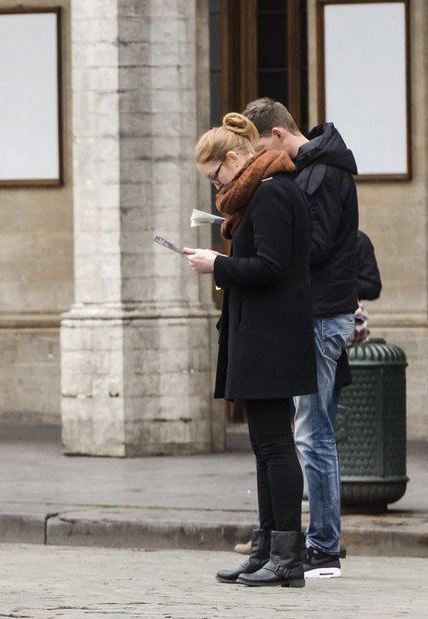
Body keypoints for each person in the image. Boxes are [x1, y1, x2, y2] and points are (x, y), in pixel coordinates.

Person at [184, 112, 316, 588]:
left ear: (236, 158)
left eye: (215, 175)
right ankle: (266, 549)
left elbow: (273, 267)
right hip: (259, 330)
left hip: (274, 334)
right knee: (263, 445)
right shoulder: (260, 194)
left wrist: (218, 263)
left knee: (276, 445)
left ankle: (288, 557)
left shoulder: (274, 192)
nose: (216, 186)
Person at [243, 98, 359, 579]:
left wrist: (265, 242)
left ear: (275, 136)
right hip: (313, 312)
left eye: (255, 150)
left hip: (321, 313)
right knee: (306, 433)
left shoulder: (323, 173)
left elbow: (314, 246)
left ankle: (323, 547)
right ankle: (307, 542)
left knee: (312, 435)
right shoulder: (311, 172)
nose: (255, 162)